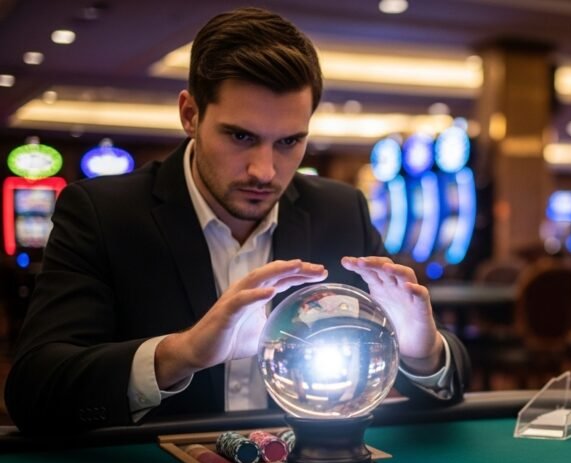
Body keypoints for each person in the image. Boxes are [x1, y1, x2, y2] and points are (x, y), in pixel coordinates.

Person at [4, 7, 469, 434]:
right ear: (190, 114)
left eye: (289, 142)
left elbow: (445, 378)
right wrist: (182, 354)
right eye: (241, 136)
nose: (264, 171)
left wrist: (422, 350)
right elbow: (34, 389)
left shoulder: (339, 209)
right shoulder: (103, 213)